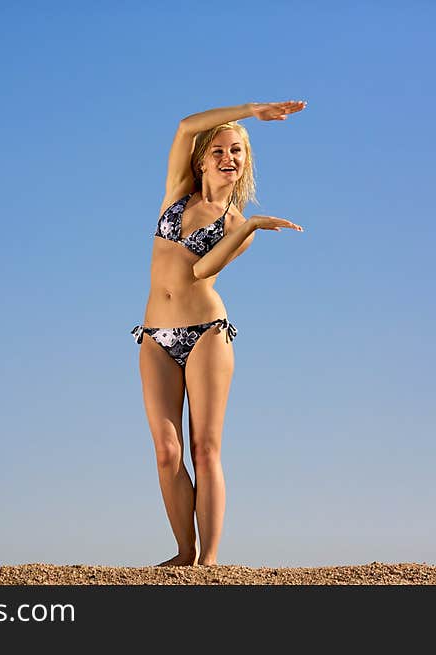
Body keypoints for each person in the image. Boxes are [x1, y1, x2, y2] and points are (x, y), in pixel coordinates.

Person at [131, 100, 307, 566]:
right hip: (154, 336)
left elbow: (201, 270)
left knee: (205, 450)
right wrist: (251, 111)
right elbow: (186, 125)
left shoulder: (237, 227)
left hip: (207, 332)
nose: (230, 158)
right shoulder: (176, 193)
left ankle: (207, 561)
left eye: (239, 153)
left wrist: (247, 224)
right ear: (203, 157)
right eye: (222, 150)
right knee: (168, 453)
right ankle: (183, 552)